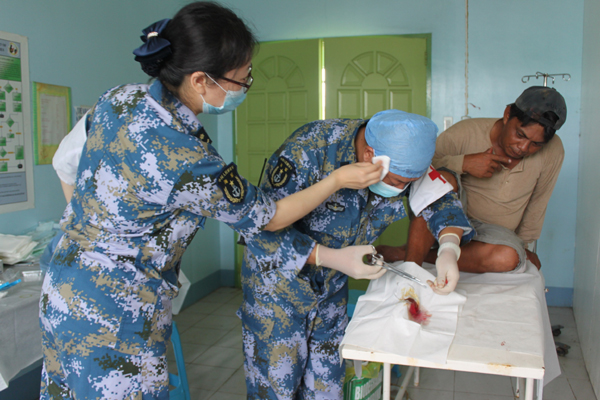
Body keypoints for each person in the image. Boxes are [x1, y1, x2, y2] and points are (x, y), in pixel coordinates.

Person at [39, 3, 384, 399]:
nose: (243, 87)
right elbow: (269, 218)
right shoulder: (185, 157)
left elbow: (63, 161)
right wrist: (337, 179)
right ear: (201, 80)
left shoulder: (119, 99)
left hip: (62, 287)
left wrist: (94, 237)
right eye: (241, 79)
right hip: (115, 315)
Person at [239, 109, 474, 399]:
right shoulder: (309, 150)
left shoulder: (406, 160)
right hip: (278, 290)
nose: (404, 189)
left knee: (326, 388)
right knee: (276, 389)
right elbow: (260, 230)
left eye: (409, 183)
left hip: (331, 291)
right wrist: (331, 256)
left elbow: (441, 202)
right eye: (398, 182)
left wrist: (449, 247)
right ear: (369, 155)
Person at [378, 86, 566, 273]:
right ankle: (413, 265)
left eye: (536, 144)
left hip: (493, 236)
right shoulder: (465, 132)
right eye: (520, 135)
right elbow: (417, 172)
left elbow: (538, 202)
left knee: (508, 257)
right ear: (507, 114)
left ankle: (405, 254)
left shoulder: (553, 151)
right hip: (446, 220)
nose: (523, 148)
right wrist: (463, 163)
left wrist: (524, 247)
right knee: (442, 178)